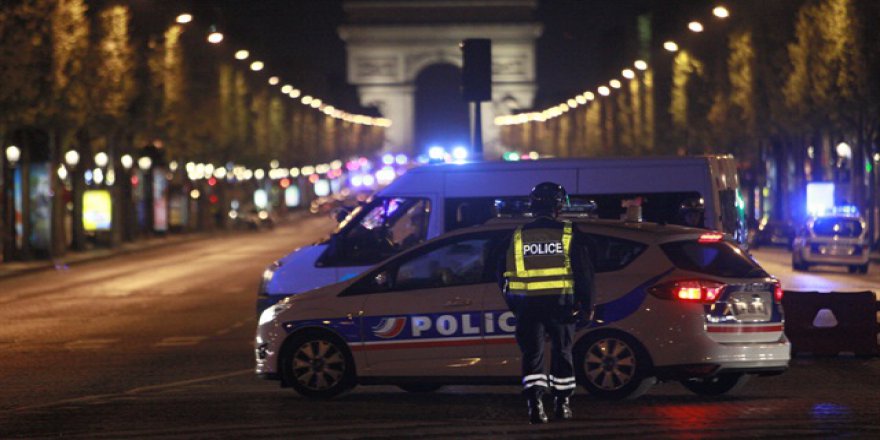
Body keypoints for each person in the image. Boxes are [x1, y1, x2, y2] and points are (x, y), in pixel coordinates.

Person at [497, 182, 594, 424]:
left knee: (533, 354)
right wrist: (587, 305)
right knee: (562, 352)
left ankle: (535, 406)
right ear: (559, 206)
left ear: (532, 206)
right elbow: (584, 272)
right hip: (561, 305)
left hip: (528, 307)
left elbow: (502, 274)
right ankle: (562, 405)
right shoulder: (570, 233)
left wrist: (514, 305)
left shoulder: (517, 234)